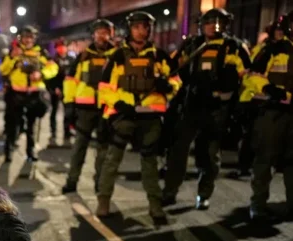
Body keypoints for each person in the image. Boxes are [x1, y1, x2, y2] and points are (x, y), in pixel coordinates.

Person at [160, 9, 250, 211]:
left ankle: (204, 194)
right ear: (202, 24)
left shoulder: (234, 47)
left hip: (217, 108)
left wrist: (236, 100)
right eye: (209, 22)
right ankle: (170, 191)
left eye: (218, 22)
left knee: (209, 154)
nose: (214, 26)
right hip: (191, 104)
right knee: (177, 150)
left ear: (225, 24)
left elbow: (247, 77)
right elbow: (172, 67)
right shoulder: (192, 44)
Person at [96, 11, 181, 222]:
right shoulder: (117, 56)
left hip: (150, 117)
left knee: (149, 163)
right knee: (112, 160)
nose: (141, 31)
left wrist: (168, 86)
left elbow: (176, 81)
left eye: (145, 27)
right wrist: (118, 103)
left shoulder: (159, 56)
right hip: (123, 116)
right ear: (130, 29)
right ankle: (103, 201)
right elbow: (104, 87)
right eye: (137, 27)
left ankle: (155, 205)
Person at [243, 14, 293, 221]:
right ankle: (258, 205)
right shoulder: (274, 48)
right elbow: (252, 75)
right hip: (274, 112)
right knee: (265, 159)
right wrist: (270, 89)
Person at [61, 19, 117, 194]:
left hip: (106, 109)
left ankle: (100, 183)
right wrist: (69, 104)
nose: (102, 35)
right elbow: (70, 81)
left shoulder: (117, 55)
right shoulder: (83, 55)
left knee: (103, 149)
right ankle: (72, 180)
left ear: (111, 34)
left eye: (105, 32)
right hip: (84, 108)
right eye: (98, 32)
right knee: (79, 147)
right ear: (93, 34)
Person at [0, 26, 59, 163]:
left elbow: (53, 67)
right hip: (15, 94)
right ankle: (8, 150)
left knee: (32, 125)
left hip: (34, 94)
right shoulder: (13, 52)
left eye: (31, 37)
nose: (28, 40)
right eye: (25, 37)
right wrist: (11, 58)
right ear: (20, 38)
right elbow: (3, 70)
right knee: (12, 124)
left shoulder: (40, 53)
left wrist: (42, 74)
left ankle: (30, 151)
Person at [47, 39, 75, 147]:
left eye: (63, 46)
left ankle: (67, 132)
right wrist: (54, 88)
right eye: (59, 46)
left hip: (68, 90)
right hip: (55, 90)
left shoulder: (72, 59)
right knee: (53, 111)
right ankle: (53, 132)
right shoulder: (52, 60)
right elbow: (49, 76)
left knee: (68, 112)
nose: (62, 48)